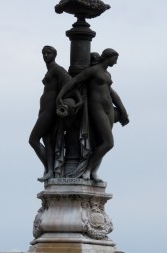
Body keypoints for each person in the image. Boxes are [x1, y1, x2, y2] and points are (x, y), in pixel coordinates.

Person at [57, 48, 129, 181]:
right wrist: (60, 96)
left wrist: (123, 110)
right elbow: (74, 81)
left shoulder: (107, 74)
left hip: (109, 109)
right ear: (109, 57)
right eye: (115, 59)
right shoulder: (93, 71)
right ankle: (88, 169)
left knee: (101, 142)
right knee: (109, 143)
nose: (116, 62)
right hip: (97, 108)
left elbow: (112, 94)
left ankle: (94, 171)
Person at [29, 46, 79, 182]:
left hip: (50, 110)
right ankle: (51, 171)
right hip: (44, 109)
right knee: (48, 141)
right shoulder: (50, 70)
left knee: (33, 139)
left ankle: (49, 168)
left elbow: (70, 84)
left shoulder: (57, 69)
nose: (46, 55)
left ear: (54, 55)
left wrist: (63, 99)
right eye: (44, 53)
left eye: (48, 53)